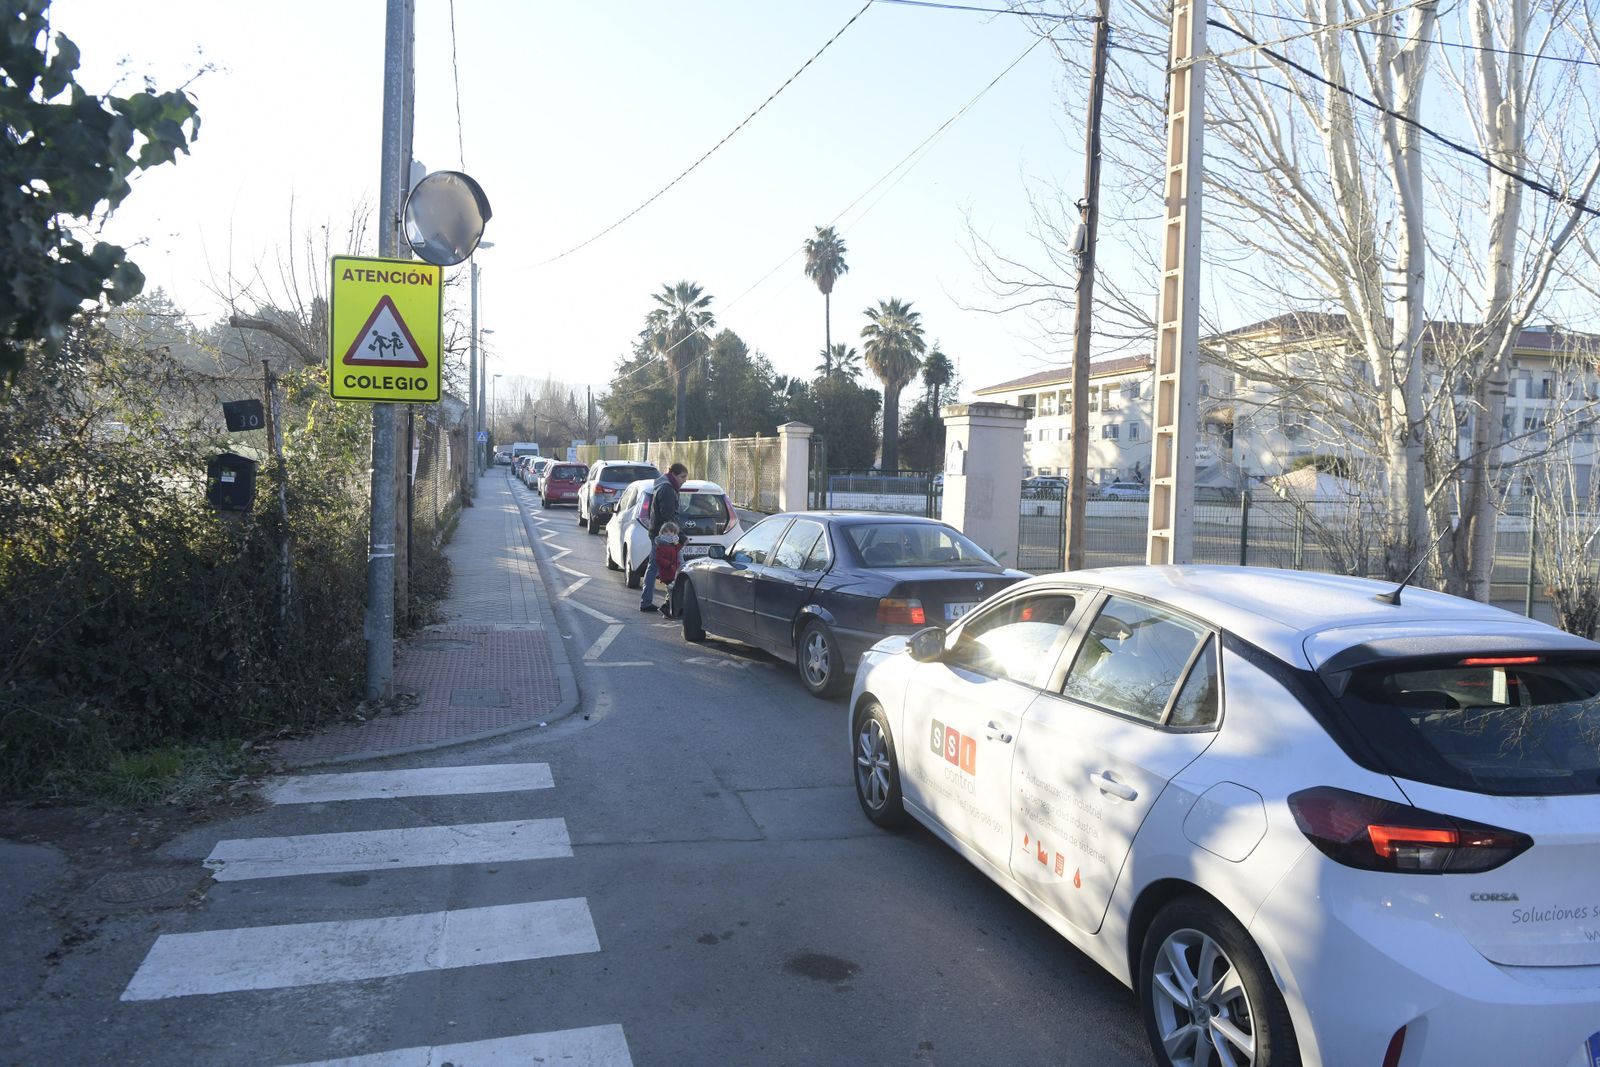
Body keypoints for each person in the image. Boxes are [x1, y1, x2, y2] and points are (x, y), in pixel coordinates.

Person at [639, 462, 687, 613]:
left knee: (655, 567)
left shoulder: (664, 485)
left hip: (659, 533)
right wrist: (679, 535)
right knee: (676, 566)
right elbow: (668, 515)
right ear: (674, 474)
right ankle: (673, 603)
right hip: (666, 536)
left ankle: (648, 602)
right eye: (682, 477)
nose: (684, 480)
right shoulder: (667, 489)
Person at [653, 521, 683, 618]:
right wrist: (669, 565)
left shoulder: (673, 544)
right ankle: (666, 609)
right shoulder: (661, 545)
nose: (669, 534)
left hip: (673, 572)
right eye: (666, 532)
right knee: (671, 591)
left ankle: (669, 610)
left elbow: (678, 550)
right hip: (667, 572)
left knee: (672, 591)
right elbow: (659, 558)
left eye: (672, 532)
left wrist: (677, 543)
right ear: (662, 533)